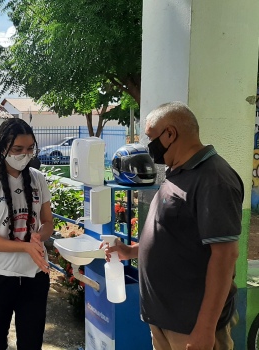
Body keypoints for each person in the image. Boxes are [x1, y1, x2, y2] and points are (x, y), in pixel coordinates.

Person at [104, 102, 243, 350]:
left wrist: (205, 329)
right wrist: (131, 251)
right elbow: (176, 237)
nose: (149, 145)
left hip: (191, 327)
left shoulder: (214, 179)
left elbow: (225, 256)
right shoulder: (177, 172)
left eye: (151, 136)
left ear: (170, 134)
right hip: (165, 319)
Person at [0, 118, 54, 350]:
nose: (24, 154)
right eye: (17, 149)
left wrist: (38, 237)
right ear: (2, 147)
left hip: (35, 275)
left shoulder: (38, 178)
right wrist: (25, 246)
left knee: (32, 342)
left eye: (29, 149)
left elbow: (48, 222)